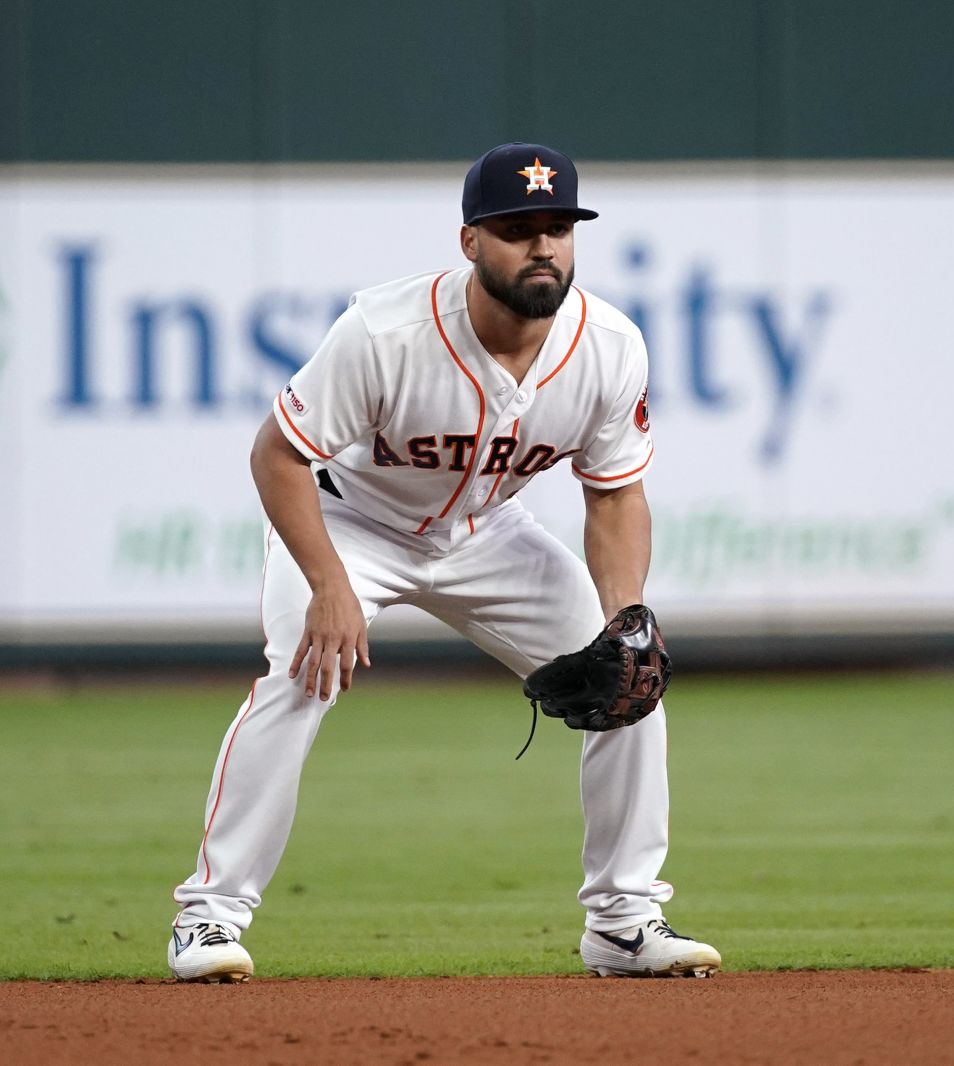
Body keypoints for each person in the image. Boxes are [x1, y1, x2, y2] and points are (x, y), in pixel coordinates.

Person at [167, 142, 719, 982]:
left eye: (557, 228)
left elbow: (613, 495)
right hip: (351, 524)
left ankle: (623, 922)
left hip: (486, 532)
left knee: (628, 682)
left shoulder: (610, 345)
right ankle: (207, 920)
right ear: (471, 243)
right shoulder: (387, 333)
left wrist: (626, 614)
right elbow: (278, 455)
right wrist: (328, 587)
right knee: (300, 677)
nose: (542, 246)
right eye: (517, 229)